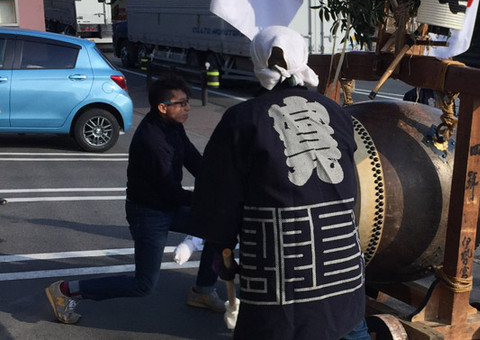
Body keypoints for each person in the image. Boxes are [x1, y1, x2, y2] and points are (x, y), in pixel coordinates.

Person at [190, 26, 368, 340]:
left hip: (282, 284)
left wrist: (222, 252)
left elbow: (219, 202)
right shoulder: (337, 113)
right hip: (344, 274)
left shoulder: (242, 120)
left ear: (256, 61)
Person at [45, 73, 223, 325]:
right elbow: (170, 192)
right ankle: (65, 290)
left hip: (168, 205)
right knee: (143, 285)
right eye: (181, 103)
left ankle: (202, 292)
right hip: (149, 214)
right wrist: (208, 201)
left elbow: (195, 161)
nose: (187, 107)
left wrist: (220, 185)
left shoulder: (173, 127)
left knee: (217, 228)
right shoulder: (152, 141)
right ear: (163, 108)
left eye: (187, 102)